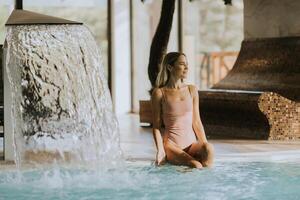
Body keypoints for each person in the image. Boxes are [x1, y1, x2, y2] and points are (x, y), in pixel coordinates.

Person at [151, 52, 214, 169]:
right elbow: (156, 127)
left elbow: (196, 122)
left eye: (187, 64)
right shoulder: (159, 93)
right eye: (182, 64)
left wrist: (204, 145)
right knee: (196, 165)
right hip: (172, 145)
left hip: (191, 144)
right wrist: (160, 151)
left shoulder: (192, 90)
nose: (186, 67)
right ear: (170, 67)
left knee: (209, 149)